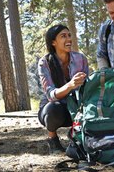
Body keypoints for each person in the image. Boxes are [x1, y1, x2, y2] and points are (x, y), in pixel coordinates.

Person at [38, 24, 89, 154]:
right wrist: (70, 85)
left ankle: (76, 135)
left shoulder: (81, 59)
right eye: (63, 36)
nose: (69, 39)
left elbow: (87, 88)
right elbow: (51, 95)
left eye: (69, 35)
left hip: (75, 107)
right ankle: (53, 140)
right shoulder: (44, 62)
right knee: (52, 108)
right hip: (54, 110)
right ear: (53, 42)